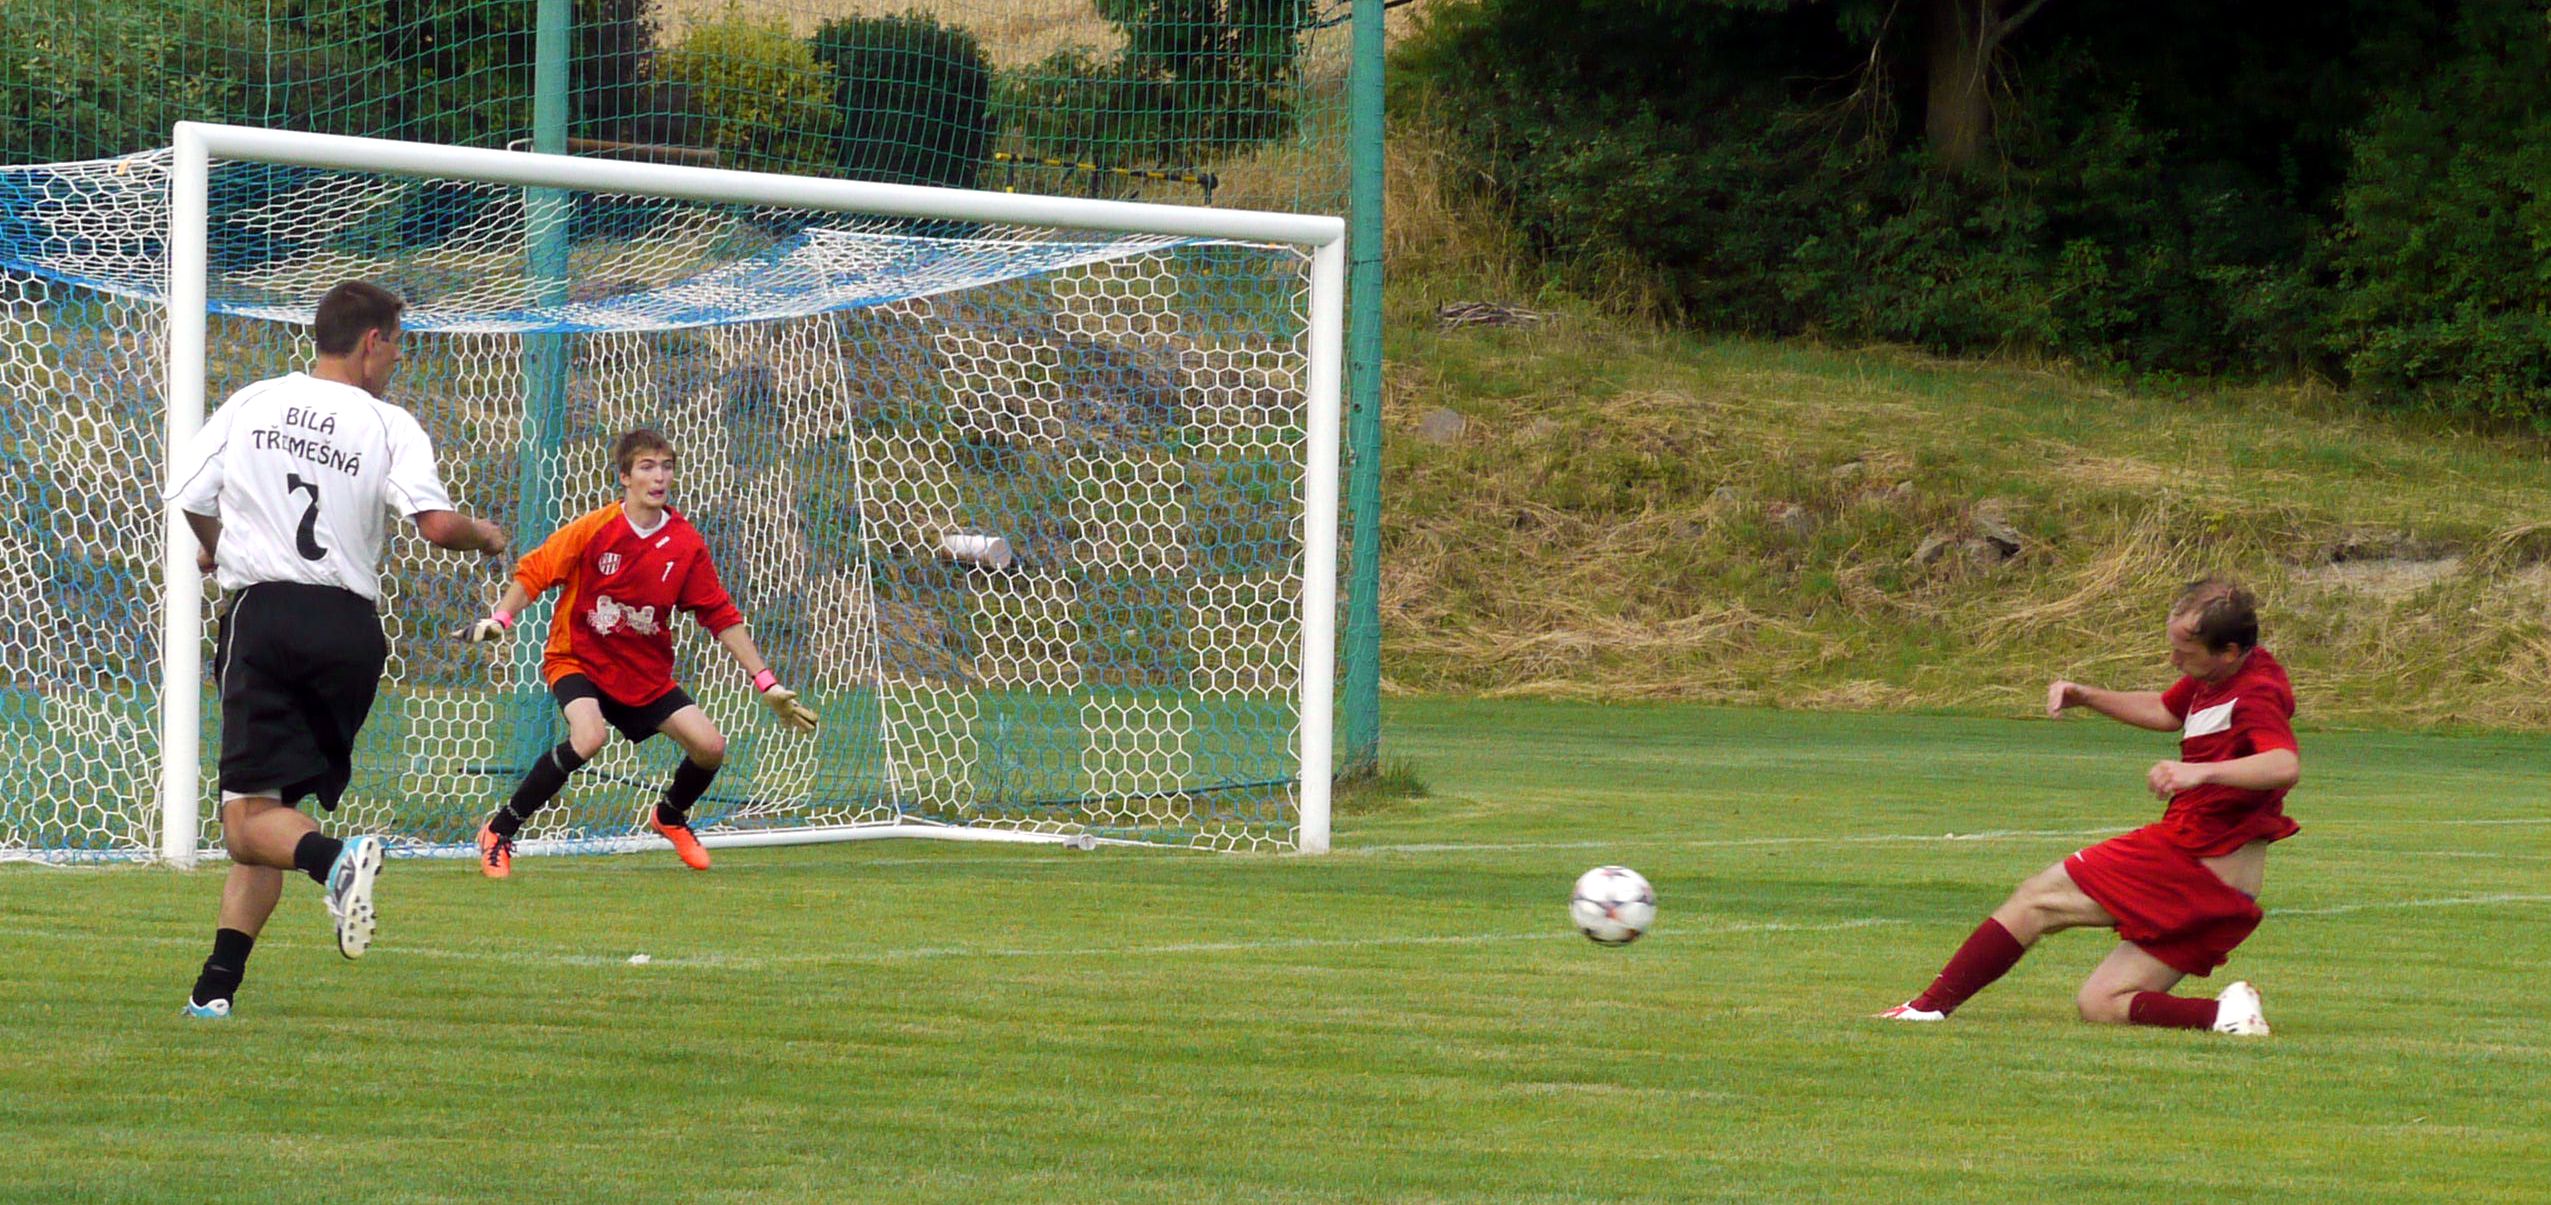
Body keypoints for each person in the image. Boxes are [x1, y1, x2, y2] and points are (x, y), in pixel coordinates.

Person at [167, 280, 510, 1019]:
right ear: (371, 342)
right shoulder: (389, 423)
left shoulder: (254, 402)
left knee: (246, 824)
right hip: (351, 632)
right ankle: (215, 989)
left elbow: (191, 495)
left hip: (269, 616)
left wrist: (217, 549)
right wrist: (484, 533)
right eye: (397, 345)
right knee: (269, 819)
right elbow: (436, 526)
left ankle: (338, 861)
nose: (398, 360)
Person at [1877, 578, 2299, 1035]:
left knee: (2037, 899)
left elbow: (2283, 763)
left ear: (2230, 651)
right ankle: (2228, 1017)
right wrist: (2088, 697)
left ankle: (1927, 1007)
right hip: (2223, 890)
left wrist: (2201, 773)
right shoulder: (2217, 676)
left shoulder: (2255, 692)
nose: (2174, 661)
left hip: (2191, 864)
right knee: (2102, 1002)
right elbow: (2165, 711)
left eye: (2185, 652)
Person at [459, 427, 817, 878]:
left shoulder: (685, 543)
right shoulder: (594, 529)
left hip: (642, 673)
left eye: (666, 467)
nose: (659, 476)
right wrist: (501, 618)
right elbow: (535, 571)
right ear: (625, 477)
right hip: (578, 658)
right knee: (589, 736)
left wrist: (767, 683)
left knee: (710, 747)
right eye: (647, 467)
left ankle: (669, 815)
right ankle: (500, 830)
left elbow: (719, 614)